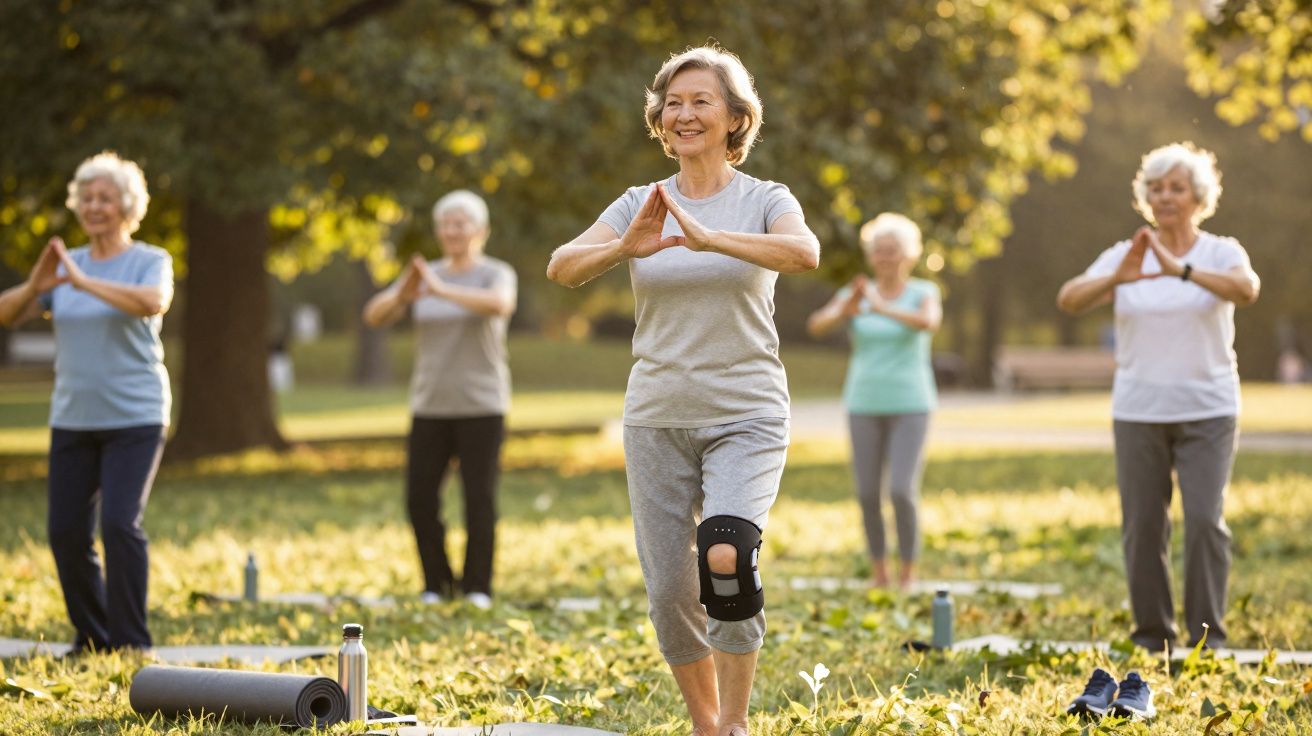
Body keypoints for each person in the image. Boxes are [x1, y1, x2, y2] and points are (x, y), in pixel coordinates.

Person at [546, 46, 820, 736]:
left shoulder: (764, 199)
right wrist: (623, 249)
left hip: (746, 412)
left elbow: (804, 253)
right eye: (674, 103)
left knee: (725, 555)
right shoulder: (641, 203)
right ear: (660, 122)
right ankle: (705, 724)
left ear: (734, 117)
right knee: (671, 591)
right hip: (657, 415)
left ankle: (736, 721)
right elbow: (561, 266)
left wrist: (712, 238)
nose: (685, 113)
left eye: (702, 101)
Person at [1056, 142, 1260, 652]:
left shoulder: (1221, 251)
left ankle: (1207, 639)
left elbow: (1247, 289)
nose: (1164, 196)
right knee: (1143, 528)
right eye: (1155, 187)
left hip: (1208, 409)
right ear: (1145, 197)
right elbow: (1069, 299)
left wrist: (1180, 270)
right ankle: (1152, 637)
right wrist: (1118, 276)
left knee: (1205, 522)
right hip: (1138, 410)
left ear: (1198, 196)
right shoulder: (1124, 254)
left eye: (1176, 187)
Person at [0, 151, 173, 654]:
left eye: (106, 198)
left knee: (120, 523)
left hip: (136, 415)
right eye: (87, 198)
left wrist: (82, 281)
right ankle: (93, 637)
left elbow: (152, 302)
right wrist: (39, 282)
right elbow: (8, 314)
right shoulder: (64, 267)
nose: (95, 206)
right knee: (65, 532)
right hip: (74, 417)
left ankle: (132, 642)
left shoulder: (149, 260)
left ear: (127, 206)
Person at [363, 189, 516, 611]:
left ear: (480, 230)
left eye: (461, 222)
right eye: (446, 223)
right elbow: (374, 315)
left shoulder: (493, 272)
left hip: (482, 404)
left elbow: (500, 305)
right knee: (419, 498)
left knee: (478, 497)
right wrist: (403, 295)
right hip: (430, 404)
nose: (452, 230)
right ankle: (436, 583)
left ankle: (477, 588)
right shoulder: (423, 274)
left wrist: (440, 289)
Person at [806, 213, 941, 591]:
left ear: (909, 255)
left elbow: (928, 323)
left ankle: (908, 573)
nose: (885, 258)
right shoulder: (858, 291)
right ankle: (880, 572)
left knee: (900, 490)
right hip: (863, 402)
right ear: (871, 255)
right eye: (879, 251)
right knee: (867, 493)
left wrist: (880, 308)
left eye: (893, 251)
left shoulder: (924, 292)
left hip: (911, 402)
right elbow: (817, 325)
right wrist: (842, 310)